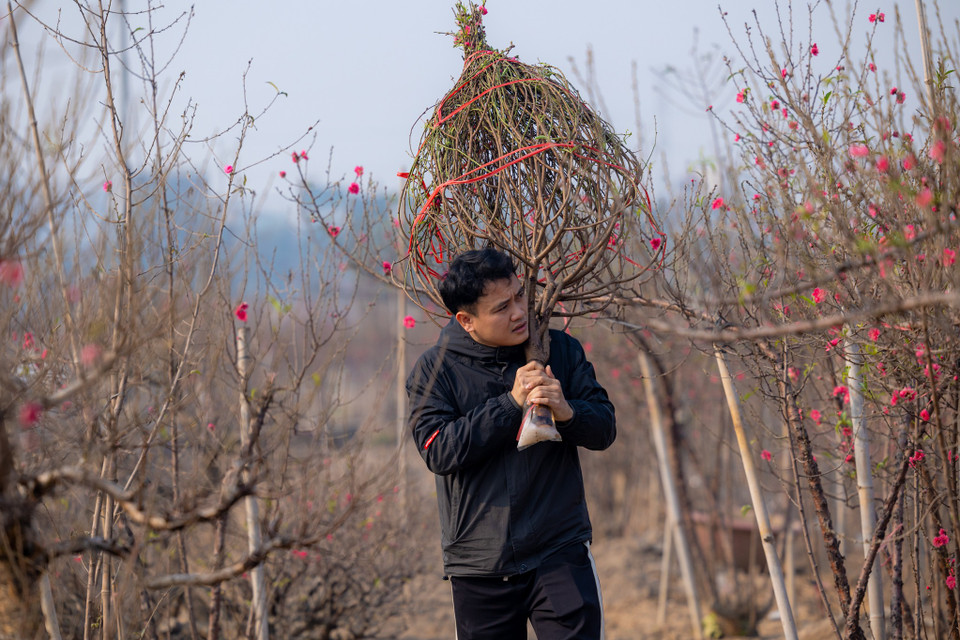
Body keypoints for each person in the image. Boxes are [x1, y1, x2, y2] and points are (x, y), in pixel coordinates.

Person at [406, 247, 616, 640]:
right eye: (502, 307)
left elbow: (605, 428)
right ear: (466, 320)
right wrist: (509, 404)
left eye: (520, 295)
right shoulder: (435, 371)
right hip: (480, 567)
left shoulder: (560, 350)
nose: (519, 311)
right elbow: (438, 450)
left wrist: (567, 412)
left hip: (559, 552)